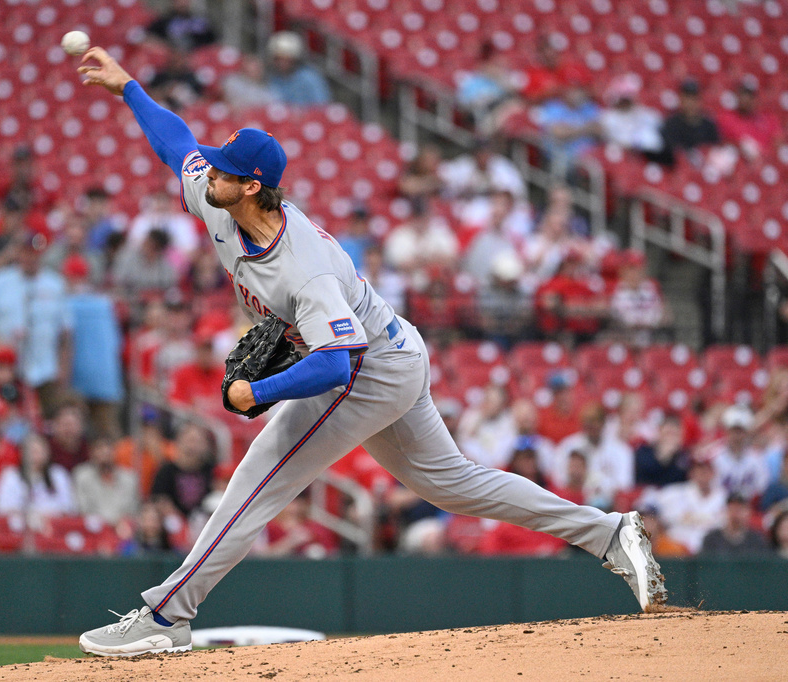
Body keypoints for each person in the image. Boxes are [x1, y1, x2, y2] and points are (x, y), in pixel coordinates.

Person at [74, 47, 666, 657]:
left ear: (253, 187)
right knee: (455, 484)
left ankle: (167, 617)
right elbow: (179, 145)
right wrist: (129, 89)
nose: (209, 175)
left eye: (224, 171)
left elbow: (332, 364)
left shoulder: (302, 271)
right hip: (392, 348)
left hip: (367, 368)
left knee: (260, 476)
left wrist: (259, 391)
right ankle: (609, 533)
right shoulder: (223, 201)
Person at [0, 233, 73, 415]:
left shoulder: (55, 284)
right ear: (19, 253)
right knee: (6, 416)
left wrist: (63, 368)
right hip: (8, 370)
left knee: (47, 418)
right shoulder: (0, 280)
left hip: (45, 369)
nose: (30, 257)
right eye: (26, 253)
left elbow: (65, 332)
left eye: (34, 253)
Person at [0, 433, 76, 522]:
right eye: (32, 452)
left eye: (39, 451)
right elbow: (2, 508)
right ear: (22, 453)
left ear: (47, 453)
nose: (35, 456)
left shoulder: (58, 474)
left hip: (55, 526)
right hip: (20, 527)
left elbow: (69, 508)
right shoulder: (11, 476)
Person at [149, 422, 214, 519]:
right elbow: (159, 499)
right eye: (190, 440)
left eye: (198, 441)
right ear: (178, 442)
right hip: (173, 523)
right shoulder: (165, 471)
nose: (193, 446)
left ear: (205, 445)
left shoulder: (212, 471)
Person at [73, 437, 140, 523]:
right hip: (95, 530)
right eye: (99, 448)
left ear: (115, 451)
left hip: (124, 530)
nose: (104, 451)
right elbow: (82, 509)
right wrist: (111, 524)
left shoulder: (130, 478)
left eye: (108, 447)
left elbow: (134, 510)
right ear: (91, 452)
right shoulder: (81, 476)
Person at [711, 405, 769, 501]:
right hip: (721, 507)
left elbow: (762, 488)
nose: (737, 435)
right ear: (727, 430)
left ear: (747, 432)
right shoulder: (714, 457)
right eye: (734, 430)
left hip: (748, 506)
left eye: (740, 431)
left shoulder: (757, 458)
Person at [658, 79, 720, 166]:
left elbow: (714, 148)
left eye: (693, 98)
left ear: (700, 100)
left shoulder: (709, 125)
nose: (690, 102)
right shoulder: (671, 123)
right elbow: (669, 150)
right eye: (687, 97)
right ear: (681, 99)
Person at [716, 78, 780, 161]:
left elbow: (778, 143)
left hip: (764, 163)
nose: (746, 99)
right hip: (738, 162)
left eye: (750, 96)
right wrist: (740, 145)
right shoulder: (725, 117)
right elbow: (721, 142)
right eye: (743, 94)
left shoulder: (768, 119)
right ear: (737, 96)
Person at [265, 31, 331, 107]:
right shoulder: (274, 79)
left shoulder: (310, 78)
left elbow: (322, 106)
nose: (282, 63)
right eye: (278, 59)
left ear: (295, 59)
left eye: (286, 59)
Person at [699, 492, 769, 556]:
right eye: (732, 509)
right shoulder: (712, 539)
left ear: (748, 512)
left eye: (739, 509)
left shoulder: (756, 540)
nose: (735, 514)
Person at [145, 0, 217, 52]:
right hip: (172, 62)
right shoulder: (164, 22)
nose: (182, 3)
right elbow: (150, 38)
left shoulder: (201, 22)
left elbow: (213, 42)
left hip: (197, 60)